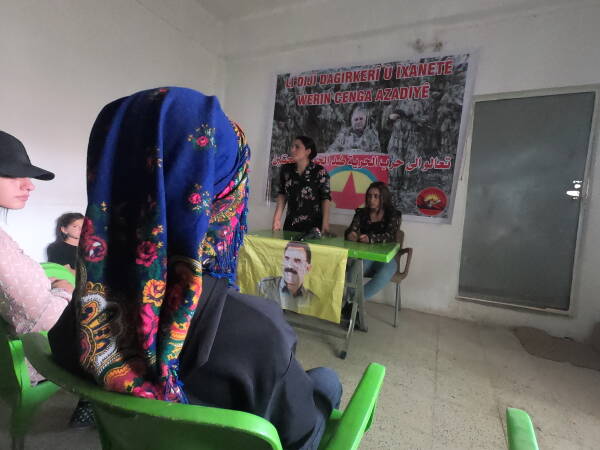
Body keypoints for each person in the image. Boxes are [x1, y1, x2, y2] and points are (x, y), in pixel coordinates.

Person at [48, 87, 341, 449]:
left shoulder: (81, 316)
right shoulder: (259, 332)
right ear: (222, 194)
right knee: (326, 381)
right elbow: (296, 434)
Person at [0, 130, 73, 385]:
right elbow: (45, 320)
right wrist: (64, 290)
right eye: (11, 174)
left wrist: (42, 281)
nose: (29, 185)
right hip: (32, 358)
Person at [344, 181, 401, 302]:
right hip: (366, 255)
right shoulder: (361, 213)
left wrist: (371, 239)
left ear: (384, 198)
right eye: (369, 196)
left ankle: (354, 302)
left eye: (376, 196)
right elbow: (351, 230)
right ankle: (351, 304)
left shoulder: (393, 215)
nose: (371, 199)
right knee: (356, 268)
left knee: (388, 270)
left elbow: (389, 236)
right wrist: (351, 234)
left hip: (386, 258)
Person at [272, 136, 331, 234]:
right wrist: (277, 219)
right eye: (292, 147)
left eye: (297, 147)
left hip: (313, 226)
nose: (292, 150)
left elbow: (325, 198)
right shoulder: (286, 170)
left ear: (308, 151)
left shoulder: (319, 171)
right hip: (291, 225)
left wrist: (325, 223)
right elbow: (282, 194)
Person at [257, 241, 319, 312]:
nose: (289, 266)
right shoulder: (264, 287)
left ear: (307, 268)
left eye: (297, 261)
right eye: (287, 258)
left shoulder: (312, 300)